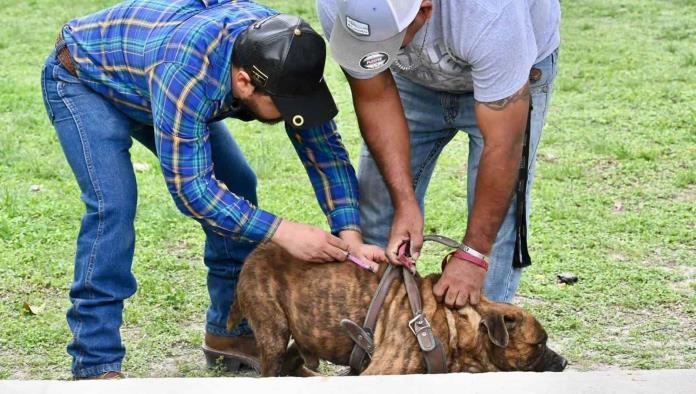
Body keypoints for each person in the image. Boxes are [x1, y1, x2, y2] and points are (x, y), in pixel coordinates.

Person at [41, 0, 384, 379]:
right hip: (84, 77)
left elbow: (325, 152)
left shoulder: (286, 51)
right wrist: (282, 231)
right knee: (113, 207)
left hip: (152, 76)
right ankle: (95, 363)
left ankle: (230, 334)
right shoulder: (188, 72)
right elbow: (193, 190)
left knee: (237, 184)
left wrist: (349, 232)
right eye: (286, 106)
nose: (293, 114)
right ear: (243, 82)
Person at [317, 0, 560, 307]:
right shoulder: (338, 6)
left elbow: (503, 145)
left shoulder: (492, 13)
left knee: (496, 233)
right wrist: (404, 202)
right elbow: (374, 96)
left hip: (509, 74)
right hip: (410, 80)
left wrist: (474, 253)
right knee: (377, 210)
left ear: (424, 9)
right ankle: (381, 338)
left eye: (385, 38)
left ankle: (482, 344)